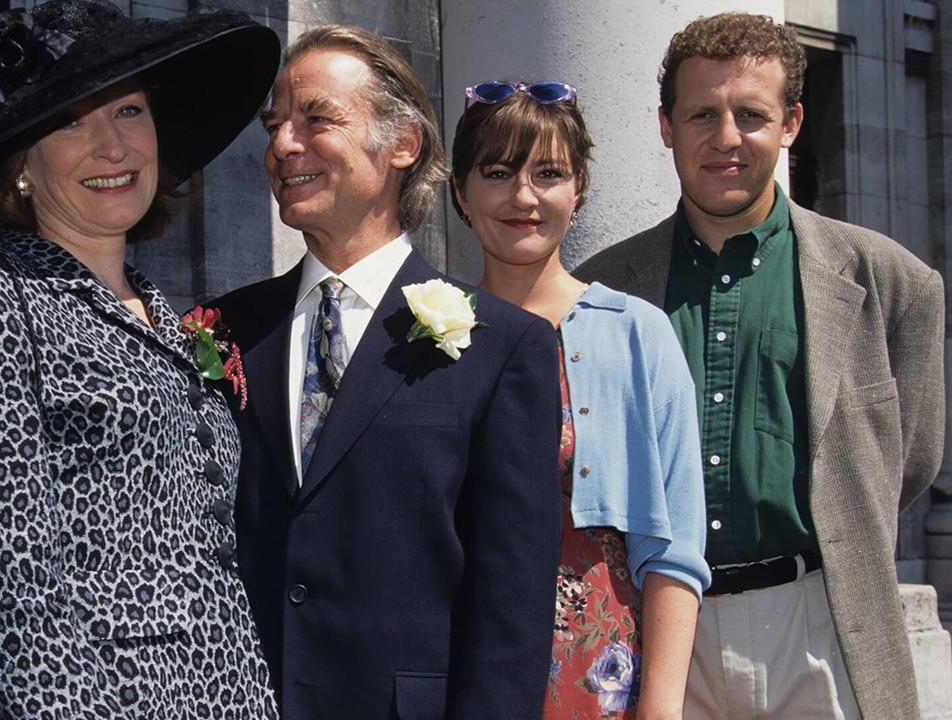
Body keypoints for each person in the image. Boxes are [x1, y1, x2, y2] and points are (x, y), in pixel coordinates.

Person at [0, 1, 281, 717]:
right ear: (20, 163)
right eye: (72, 121)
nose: (113, 146)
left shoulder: (164, 313)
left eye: (130, 111)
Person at [576, 12, 945, 720]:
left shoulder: (891, 282)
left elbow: (911, 459)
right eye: (702, 114)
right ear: (666, 127)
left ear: (790, 123)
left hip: (823, 629)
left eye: (751, 114)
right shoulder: (603, 289)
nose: (726, 137)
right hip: (659, 634)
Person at [210, 25, 562, 720]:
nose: (282, 146)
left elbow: (511, 611)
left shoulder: (503, 348)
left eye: (316, 119)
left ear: (403, 143)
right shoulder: (225, 331)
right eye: (274, 125)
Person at [449, 79, 709, 720]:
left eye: (549, 173)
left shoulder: (638, 333)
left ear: (579, 189)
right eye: (498, 172)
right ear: (460, 190)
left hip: (602, 679)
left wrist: (660, 709)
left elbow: (675, 548)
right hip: (457, 669)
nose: (524, 196)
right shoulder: (426, 336)